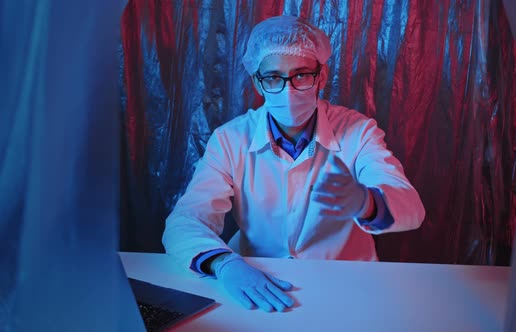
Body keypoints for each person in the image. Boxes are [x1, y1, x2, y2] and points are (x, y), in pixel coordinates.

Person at [162, 15, 425, 313]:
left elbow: (411, 209)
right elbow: (185, 221)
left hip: (346, 285)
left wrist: (367, 203)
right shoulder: (230, 139)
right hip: (259, 282)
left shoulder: (358, 131)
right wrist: (225, 264)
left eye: (301, 75)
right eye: (273, 77)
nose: (288, 91)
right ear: (257, 83)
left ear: (321, 77)